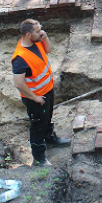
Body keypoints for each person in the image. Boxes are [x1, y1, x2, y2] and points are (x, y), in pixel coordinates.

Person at [11, 19, 70, 166]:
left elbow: (48, 50)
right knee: (38, 125)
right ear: (28, 34)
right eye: (38, 31)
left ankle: (50, 139)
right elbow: (18, 83)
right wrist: (35, 98)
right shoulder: (20, 58)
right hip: (35, 98)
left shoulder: (36, 42)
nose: (41, 32)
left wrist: (44, 36)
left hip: (47, 90)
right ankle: (39, 158)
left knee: (47, 118)